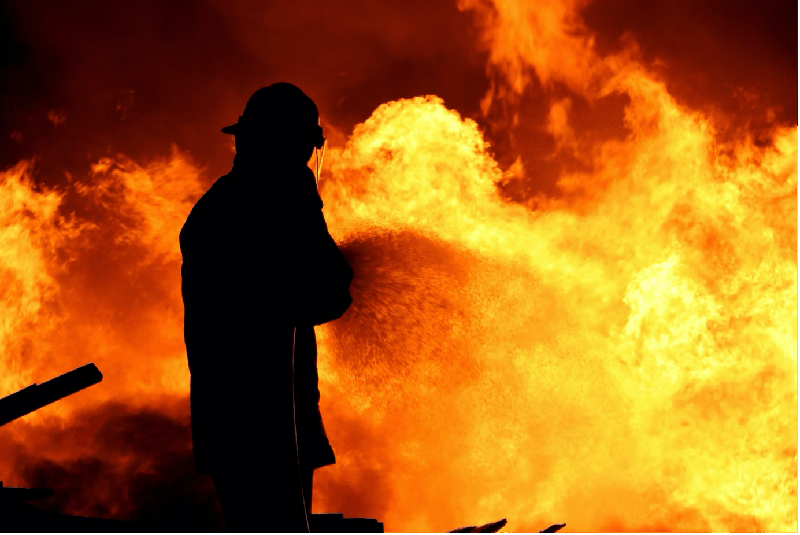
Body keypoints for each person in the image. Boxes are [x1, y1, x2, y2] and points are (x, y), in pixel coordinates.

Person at [179, 83, 353, 532]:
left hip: (258, 422)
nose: (305, 159)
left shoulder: (229, 206)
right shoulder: (266, 203)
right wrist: (302, 197)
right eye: (301, 147)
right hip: (261, 427)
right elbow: (322, 287)